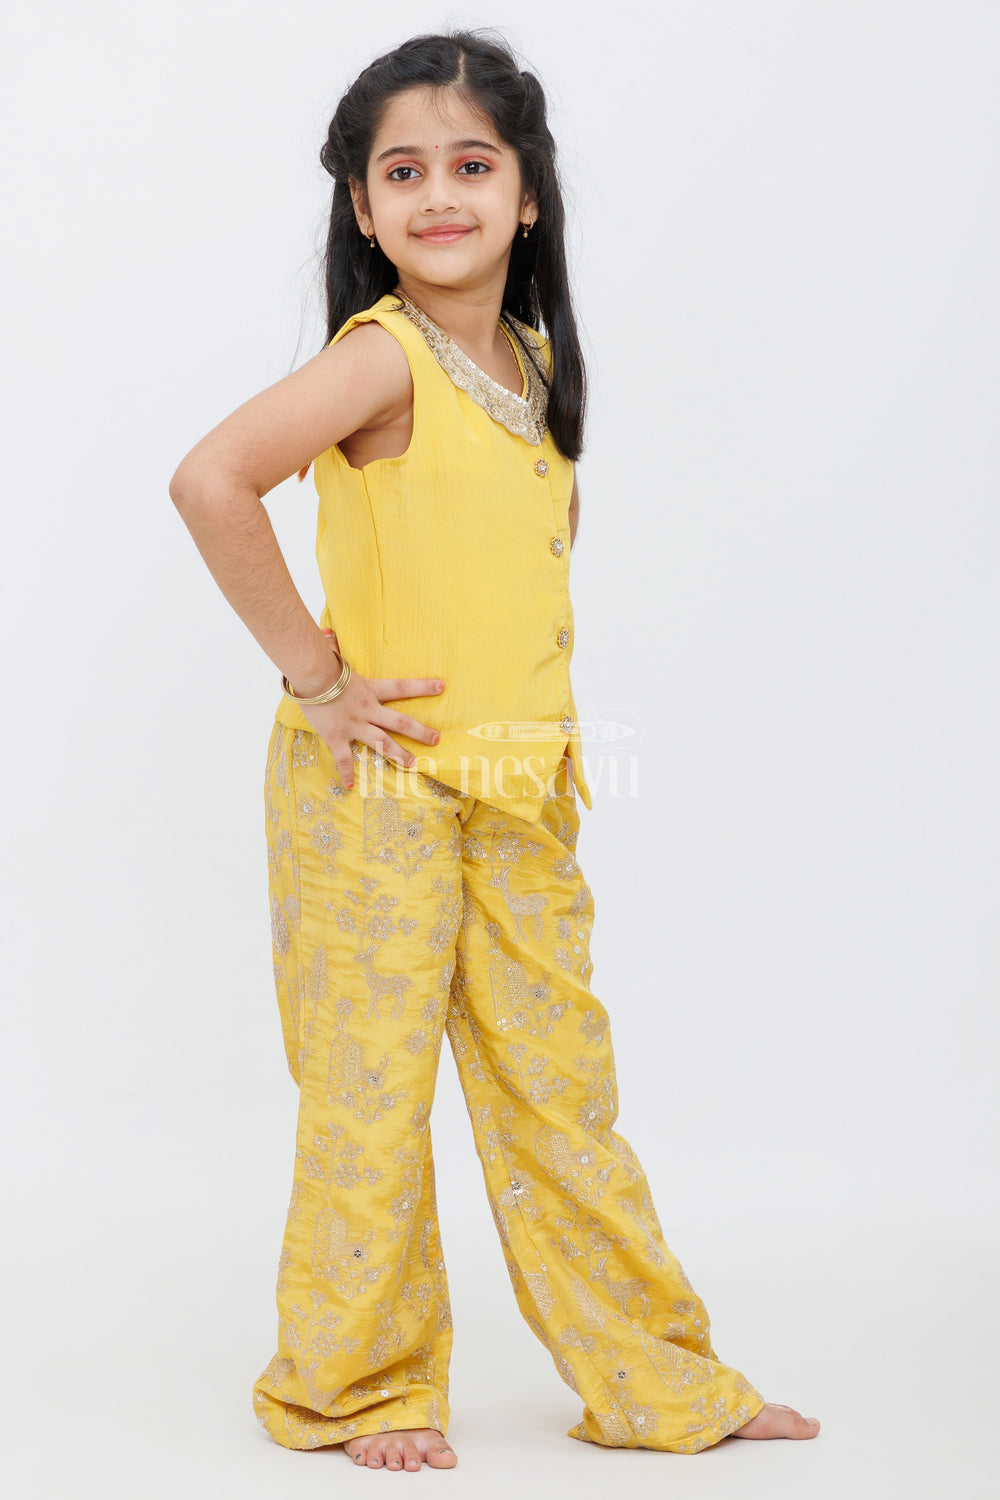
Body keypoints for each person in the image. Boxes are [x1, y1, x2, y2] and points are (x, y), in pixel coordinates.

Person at [169, 27, 821, 1474]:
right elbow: (212, 479)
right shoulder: (379, 359)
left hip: (518, 795)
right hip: (374, 791)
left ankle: (655, 1380)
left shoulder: (529, 364)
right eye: (402, 172)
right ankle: (358, 1387)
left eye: (472, 165)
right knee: (371, 1095)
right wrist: (318, 678)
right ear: (362, 207)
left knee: (559, 1094)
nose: (439, 195)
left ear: (529, 196)